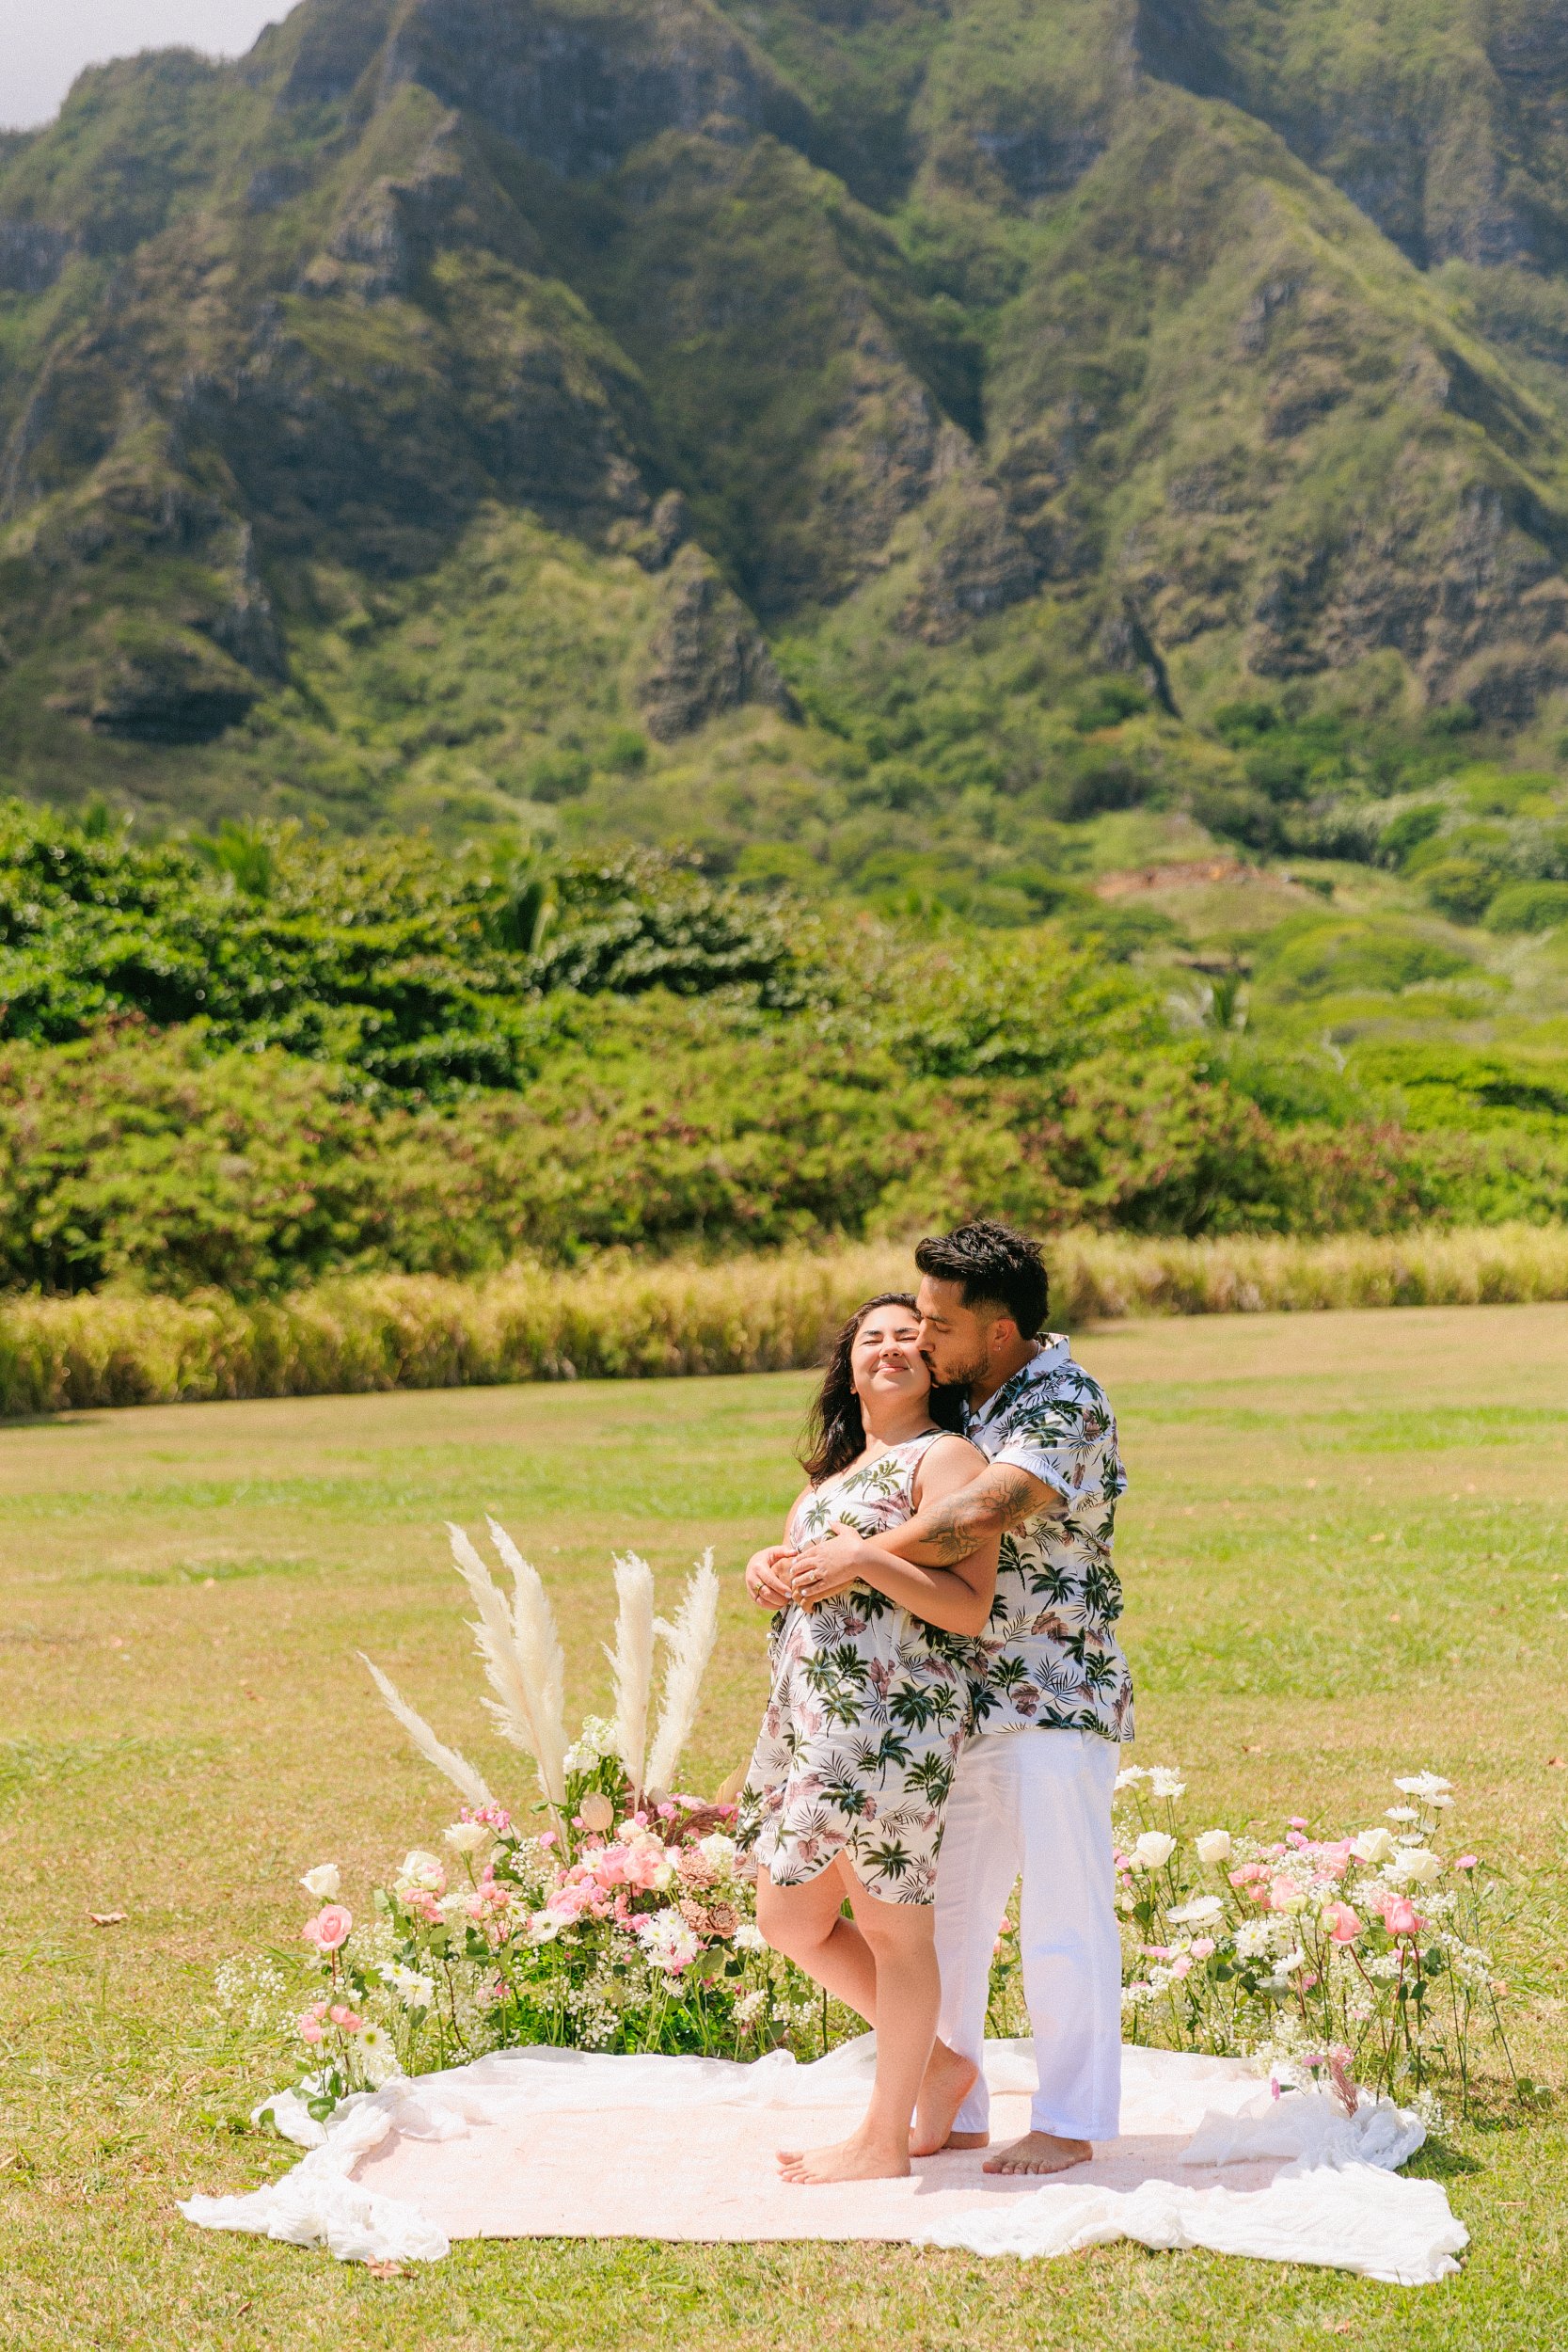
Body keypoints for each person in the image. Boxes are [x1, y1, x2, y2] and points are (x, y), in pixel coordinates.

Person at [760, 1221, 1131, 2178]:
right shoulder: (972, 1399)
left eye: (934, 1322)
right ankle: (944, 2097)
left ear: (995, 1330)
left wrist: (847, 1557)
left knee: (1063, 1912)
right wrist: (804, 1553)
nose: (918, 1338)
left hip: (1050, 1688)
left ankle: (1068, 2117)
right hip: (947, 1703)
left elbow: (972, 1516)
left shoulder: (1061, 1401)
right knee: (942, 1919)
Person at [736, 1292, 1001, 2185]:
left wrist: (863, 1560)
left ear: (933, 1364)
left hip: (892, 1722)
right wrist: (767, 1568)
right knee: (789, 1916)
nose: (888, 1349)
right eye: (870, 1339)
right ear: (846, 1366)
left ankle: (884, 2141)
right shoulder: (825, 1482)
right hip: (814, 1720)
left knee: (892, 1929)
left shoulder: (947, 1456)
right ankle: (936, 2069)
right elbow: (807, 1583)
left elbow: (967, 1609)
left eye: (908, 1339)